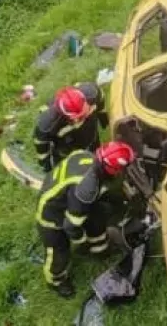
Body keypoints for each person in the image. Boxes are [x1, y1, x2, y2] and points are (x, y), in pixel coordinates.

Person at [36, 142, 136, 298]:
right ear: (112, 169)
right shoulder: (87, 189)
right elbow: (70, 226)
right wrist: (82, 243)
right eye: (121, 169)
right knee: (59, 252)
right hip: (52, 216)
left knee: (97, 219)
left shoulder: (87, 157)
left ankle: (100, 251)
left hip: (65, 195)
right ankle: (56, 281)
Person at [33, 83, 109, 172]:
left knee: (95, 156)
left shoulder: (92, 92)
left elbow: (100, 100)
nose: (83, 118)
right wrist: (46, 165)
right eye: (80, 117)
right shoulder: (47, 124)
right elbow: (41, 147)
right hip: (67, 149)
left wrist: (103, 118)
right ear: (66, 115)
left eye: (86, 112)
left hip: (91, 136)